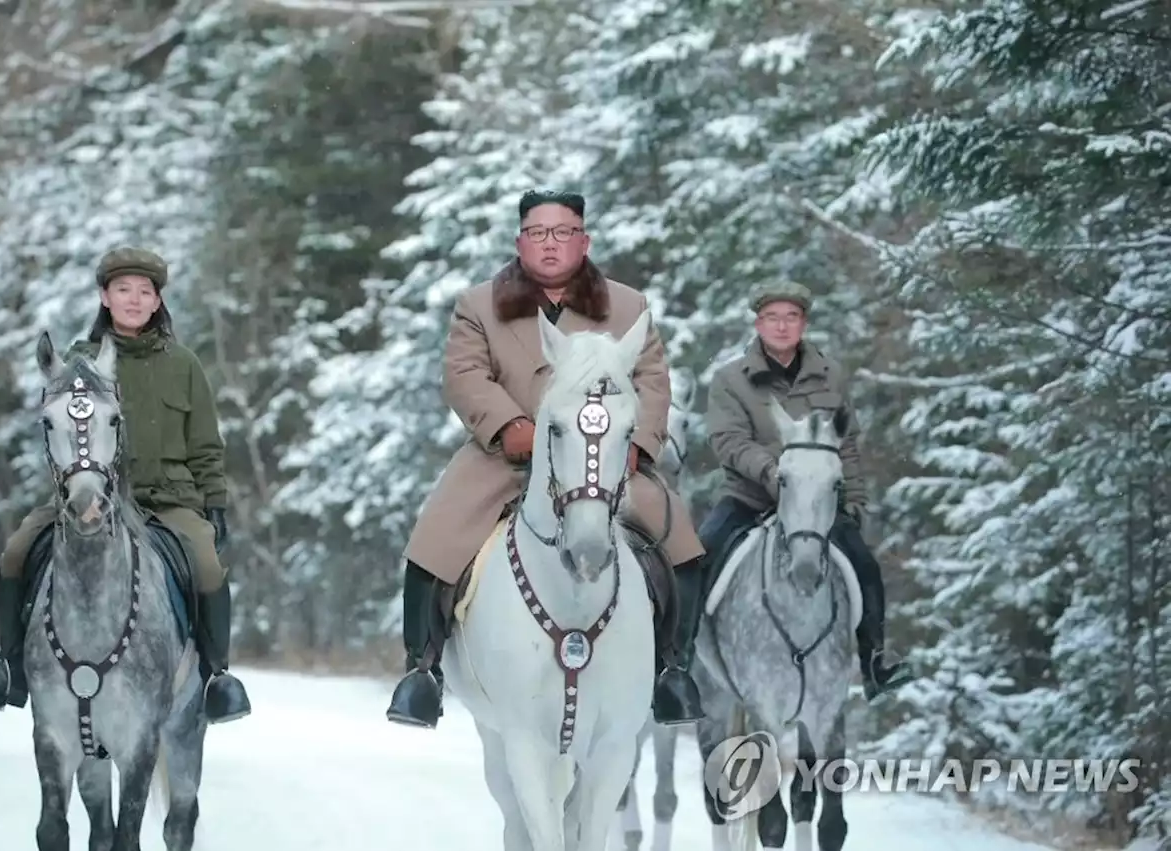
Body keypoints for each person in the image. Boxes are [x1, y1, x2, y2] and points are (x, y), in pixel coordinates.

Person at [385, 190, 708, 729]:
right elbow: (464, 375)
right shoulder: (478, 306)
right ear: (520, 241)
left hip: (601, 460)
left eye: (563, 232)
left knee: (684, 549)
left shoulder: (628, 308)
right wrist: (512, 427)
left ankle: (672, 668)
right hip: (506, 458)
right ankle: (423, 672)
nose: (550, 243)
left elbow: (652, 379)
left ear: (584, 240)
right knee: (432, 544)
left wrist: (636, 444)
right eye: (538, 232)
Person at [0, 247, 252, 724]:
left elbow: (205, 447)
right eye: (123, 290)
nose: (134, 300)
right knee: (15, 552)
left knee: (208, 567)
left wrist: (213, 504)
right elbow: (58, 431)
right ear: (104, 297)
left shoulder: (185, 365)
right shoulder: (78, 361)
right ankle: (9, 666)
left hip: (169, 500)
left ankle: (218, 678)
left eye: (144, 292)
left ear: (157, 302)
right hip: (86, 497)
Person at [701, 280, 914, 702]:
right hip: (749, 498)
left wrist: (852, 499)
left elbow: (845, 443)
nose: (782, 326)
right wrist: (773, 473)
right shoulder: (729, 379)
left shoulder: (831, 375)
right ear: (758, 323)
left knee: (865, 566)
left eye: (791, 317)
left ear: (804, 323)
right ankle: (675, 667)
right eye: (772, 318)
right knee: (694, 561)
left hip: (816, 505)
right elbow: (728, 441)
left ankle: (875, 662)